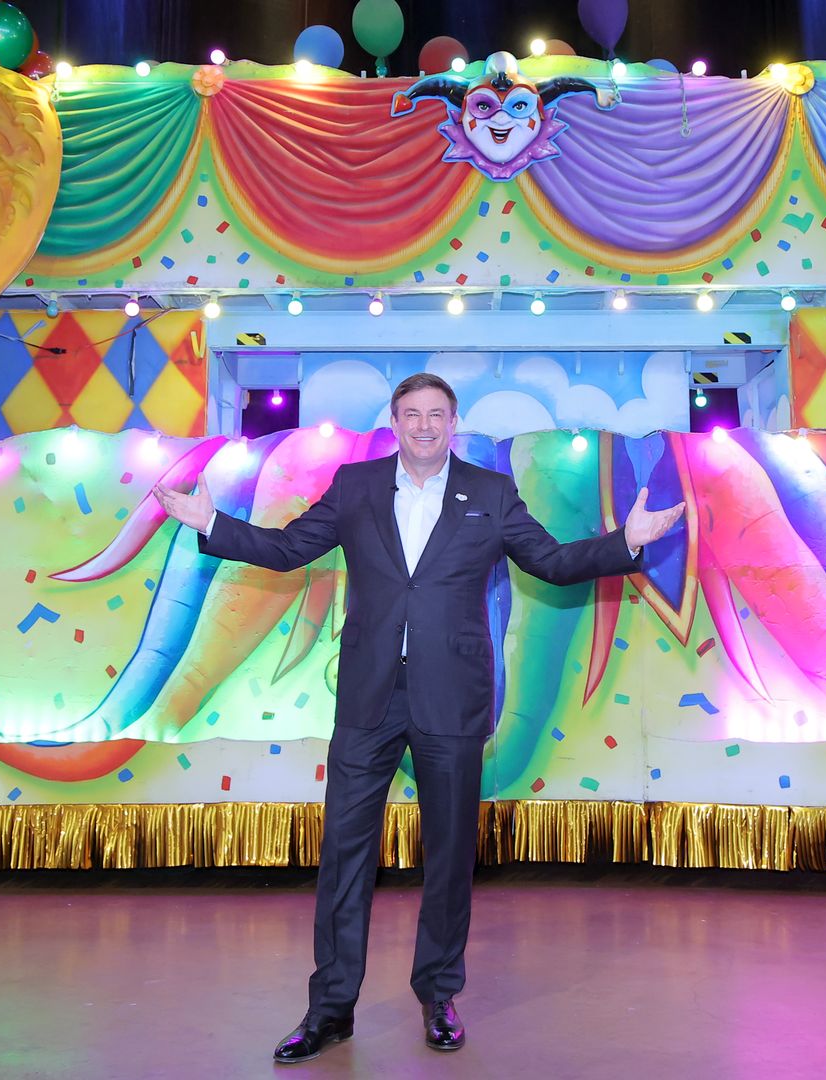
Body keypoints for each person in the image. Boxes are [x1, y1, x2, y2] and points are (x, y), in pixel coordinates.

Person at [155, 373, 685, 1063]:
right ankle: (331, 1008)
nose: (425, 425)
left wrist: (627, 542)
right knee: (344, 853)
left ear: (454, 420)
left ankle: (439, 995)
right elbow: (288, 549)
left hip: (452, 698)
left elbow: (550, 562)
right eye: (412, 415)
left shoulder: (491, 494)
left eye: (437, 414)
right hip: (369, 698)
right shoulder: (356, 486)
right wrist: (210, 524)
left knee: (448, 852)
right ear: (395, 422)